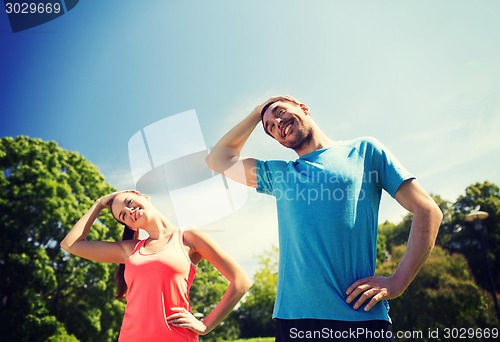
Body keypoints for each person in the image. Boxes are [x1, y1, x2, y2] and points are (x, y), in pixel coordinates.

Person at [206, 95, 443, 341]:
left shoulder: (364, 151)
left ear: (303, 108)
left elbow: (428, 210)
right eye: (270, 127)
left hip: (361, 319)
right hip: (296, 324)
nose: (276, 123)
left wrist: (398, 281)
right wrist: (258, 112)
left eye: (279, 111)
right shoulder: (280, 175)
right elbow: (218, 159)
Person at [60, 190, 252, 342]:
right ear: (131, 227)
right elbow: (71, 244)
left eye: (129, 203)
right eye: (123, 216)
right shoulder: (129, 250)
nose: (129, 211)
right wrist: (99, 203)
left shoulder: (188, 238)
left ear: (144, 197)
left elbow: (241, 281)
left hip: (177, 338)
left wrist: (205, 325)